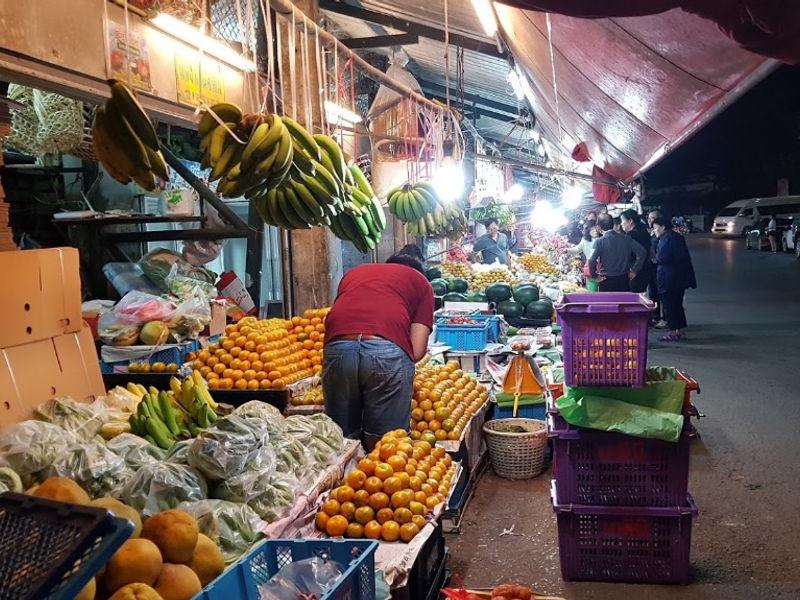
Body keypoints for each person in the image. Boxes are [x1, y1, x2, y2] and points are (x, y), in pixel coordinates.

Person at [322, 253, 434, 448]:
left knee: (340, 437)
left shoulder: (354, 273)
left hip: (337, 348)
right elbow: (416, 350)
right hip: (385, 352)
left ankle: (344, 475)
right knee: (387, 443)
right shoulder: (421, 283)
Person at [652, 215, 697, 341]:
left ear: (663, 227)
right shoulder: (676, 237)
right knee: (677, 305)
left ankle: (673, 331)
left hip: (669, 278)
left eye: (656, 228)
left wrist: (654, 258)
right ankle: (679, 330)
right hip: (679, 279)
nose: (654, 231)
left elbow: (663, 258)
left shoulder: (666, 240)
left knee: (669, 305)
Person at [587, 213, 647, 292]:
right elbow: (642, 252)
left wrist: (594, 276)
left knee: (608, 304)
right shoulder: (626, 238)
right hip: (624, 279)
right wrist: (635, 270)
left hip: (605, 280)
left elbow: (591, 260)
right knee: (623, 303)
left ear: (598, 227)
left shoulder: (599, 242)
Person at [620, 209, 653, 293]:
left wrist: (634, 270)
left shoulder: (631, 235)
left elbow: (640, 254)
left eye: (622, 221)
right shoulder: (643, 231)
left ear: (630, 221)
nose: (621, 224)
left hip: (636, 271)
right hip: (647, 269)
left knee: (634, 296)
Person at [647, 209, 666, 327]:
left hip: (660, 269)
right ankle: (655, 316)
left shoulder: (663, 236)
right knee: (653, 294)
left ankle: (665, 318)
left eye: (653, 218)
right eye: (649, 218)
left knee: (662, 294)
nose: (650, 220)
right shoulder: (652, 233)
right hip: (652, 270)